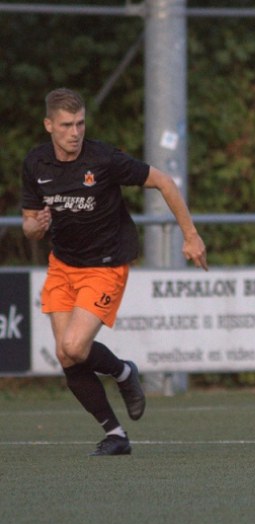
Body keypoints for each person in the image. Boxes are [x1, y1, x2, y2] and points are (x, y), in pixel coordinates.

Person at [21, 88, 208, 456]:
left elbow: (164, 182)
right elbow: (29, 224)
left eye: (80, 123)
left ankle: (123, 372)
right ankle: (116, 434)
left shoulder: (103, 159)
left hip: (105, 264)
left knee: (75, 346)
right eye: (66, 125)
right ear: (49, 126)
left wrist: (190, 234)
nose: (75, 132)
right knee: (65, 355)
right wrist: (36, 226)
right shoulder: (36, 164)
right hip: (62, 264)